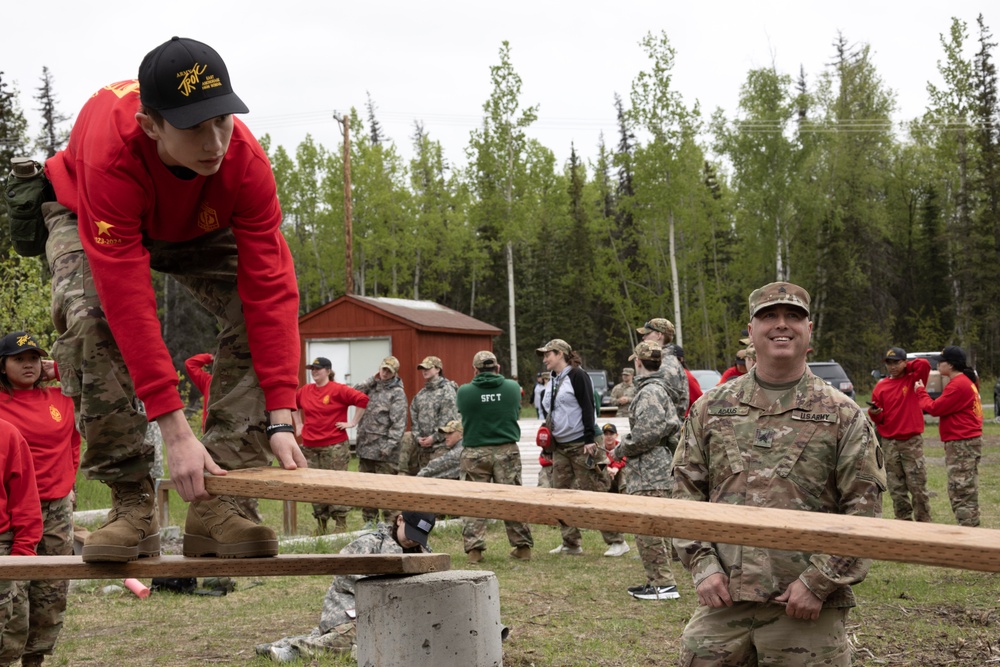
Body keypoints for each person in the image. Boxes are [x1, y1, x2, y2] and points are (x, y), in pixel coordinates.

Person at [42, 36, 306, 563]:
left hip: (193, 222)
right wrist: (174, 429)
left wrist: (281, 409)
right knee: (93, 321)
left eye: (223, 121)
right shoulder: (111, 151)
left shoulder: (244, 161)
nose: (214, 142)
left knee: (254, 317)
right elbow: (128, 306)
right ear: (151, 126)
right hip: (89, 211)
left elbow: (270, 290)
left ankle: (221, 501)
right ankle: (133, 504)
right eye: (194, 128)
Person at [673, 281, 886, 666]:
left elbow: (864, 513)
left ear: (809, 332)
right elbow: (685, 495)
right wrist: (703, 567)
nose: (781, 325)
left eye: (793, 316)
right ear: (751, 332)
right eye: (768, 316)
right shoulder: (711, 407)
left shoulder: (843, 414)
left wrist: (817, 583)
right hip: (724, 600)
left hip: (805, 607)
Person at [254, 511, 436, 663]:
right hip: (351, 607)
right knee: (356, 635)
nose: (413, 541)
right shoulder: (370, 543)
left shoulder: (424, 552)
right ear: (400, 520)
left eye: (417, 537)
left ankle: (285, 645)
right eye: (410, 533)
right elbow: (343, 574)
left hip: (396, 614)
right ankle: (294, 651)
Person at [0, 332, 75, 667]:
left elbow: (73, 441)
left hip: (56, 507)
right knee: (15, 590)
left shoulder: (60, 398)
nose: (28, 364)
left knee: (51, 588)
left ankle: (35, 659)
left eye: (33, 358)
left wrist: (58, 369)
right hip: (14, 508)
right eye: (19, 359)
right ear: (2, 365)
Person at [608, 341, 683, 600]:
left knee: (647, 527)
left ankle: (663, 585)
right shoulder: (660, 389)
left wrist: (619, 450)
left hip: (649, 469)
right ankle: (658, 582)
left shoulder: (650, 391)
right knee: (655, 527)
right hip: (656, 465)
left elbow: (646, 434)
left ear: (638, 362)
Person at [536, 339, 623, 556]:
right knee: (561, 493)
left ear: (560, 354)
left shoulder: (577, 375)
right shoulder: (553, 379)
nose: (545, 359)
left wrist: (589, 439)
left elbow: (588, 407)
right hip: (561, 445)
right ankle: (570, 543)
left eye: (548, 354)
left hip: (582, 444)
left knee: (594, 491)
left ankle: (617, 541)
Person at [455, 351, 533, 563]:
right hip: (506, 450)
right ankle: (522, 546)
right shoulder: (512, 388)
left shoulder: (464, 391)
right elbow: (515, 409)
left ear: (475, 370)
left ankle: (474, 550)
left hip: (474, 452)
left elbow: (463, 410)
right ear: (497, 368)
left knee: (474, 501)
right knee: (512, 497)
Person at [293, 357, 369, 534]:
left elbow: (362, 399)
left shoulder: (337, 390)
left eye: (318, 369)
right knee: (314, 486)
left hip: (333, 446)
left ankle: (340, 524)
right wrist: (298, 424)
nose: (314, 372)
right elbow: (293, 405)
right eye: (312, 369)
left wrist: (352, 422)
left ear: (328, 371)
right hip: (310, 446)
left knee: (336, 483)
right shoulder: (305, 390)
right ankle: (321, 523)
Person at [914, 346, 983, 527]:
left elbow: (935, 408)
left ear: (950, 365)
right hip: (965, 442)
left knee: (960, 490)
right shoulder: (964, 381)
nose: (937, 364)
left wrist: (920, 391)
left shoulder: (958, 384)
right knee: (966, 488)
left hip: (962, 443)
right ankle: (970, 529)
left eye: (941, 361)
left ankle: (969, 533)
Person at [868, 347, 932, 522]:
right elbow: (879, 419)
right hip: (889, 442)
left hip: (911, 441)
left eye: (896, 362)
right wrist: (875, 412)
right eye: (889, 363)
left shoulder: (913, 380)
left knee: (917, 485)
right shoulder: (881, 386)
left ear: (905, 362)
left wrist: (907, 367)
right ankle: (903, 522)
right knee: (896, 487)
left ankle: (924, 523)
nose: (892, 366)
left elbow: (924, 364)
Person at [353, 357, 407, 526]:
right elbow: (354, 392)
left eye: (388, 371)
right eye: (383, 369)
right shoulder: (372, 387)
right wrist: (372, 379)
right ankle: (369, 525)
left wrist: (388, 446)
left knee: (386, 491)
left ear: (394, 373)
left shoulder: (397, 393)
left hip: (384, 451)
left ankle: (392, 526)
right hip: (366, 447)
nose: (384, 373)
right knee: (366, 490)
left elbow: (398, 423)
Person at [407, 356, 459, 472]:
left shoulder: (447, 390)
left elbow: (448, 419)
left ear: (438, 369)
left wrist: (434, 438)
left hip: (440, 448)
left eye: (428, 368)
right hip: (423, 448)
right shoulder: (421, 394)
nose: (424, 371)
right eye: (422, 369)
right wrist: (418, 437)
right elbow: (413, 416)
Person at [636, 319, 688, 419]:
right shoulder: (666, 360)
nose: (643, 337)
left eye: (647, 333)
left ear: (659, 335)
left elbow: (659, 409)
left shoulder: (664, 365)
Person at [599, 423, 629, 557]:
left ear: (616, 435)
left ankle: (625, 503)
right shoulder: (600, 448)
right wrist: (608, 469)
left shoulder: (620, 446)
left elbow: (625, 458)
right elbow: (599, 463)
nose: (608, 437)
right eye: (606, 434)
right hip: (607, 475)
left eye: (611, 434)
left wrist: (616, 467)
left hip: (618, 474)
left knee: (624, 474)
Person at [182, 352, 213, 433]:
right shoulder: (209, 382)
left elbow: (190, 364)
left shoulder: (209, 382)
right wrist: (212, 357)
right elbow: (190, 364)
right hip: (211, 437)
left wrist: (213, 357)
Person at [669, 344, 702, 414]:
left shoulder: (686, 377)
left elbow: (700, 402)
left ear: (681, 360)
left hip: (683, 420)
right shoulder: (661, 376)